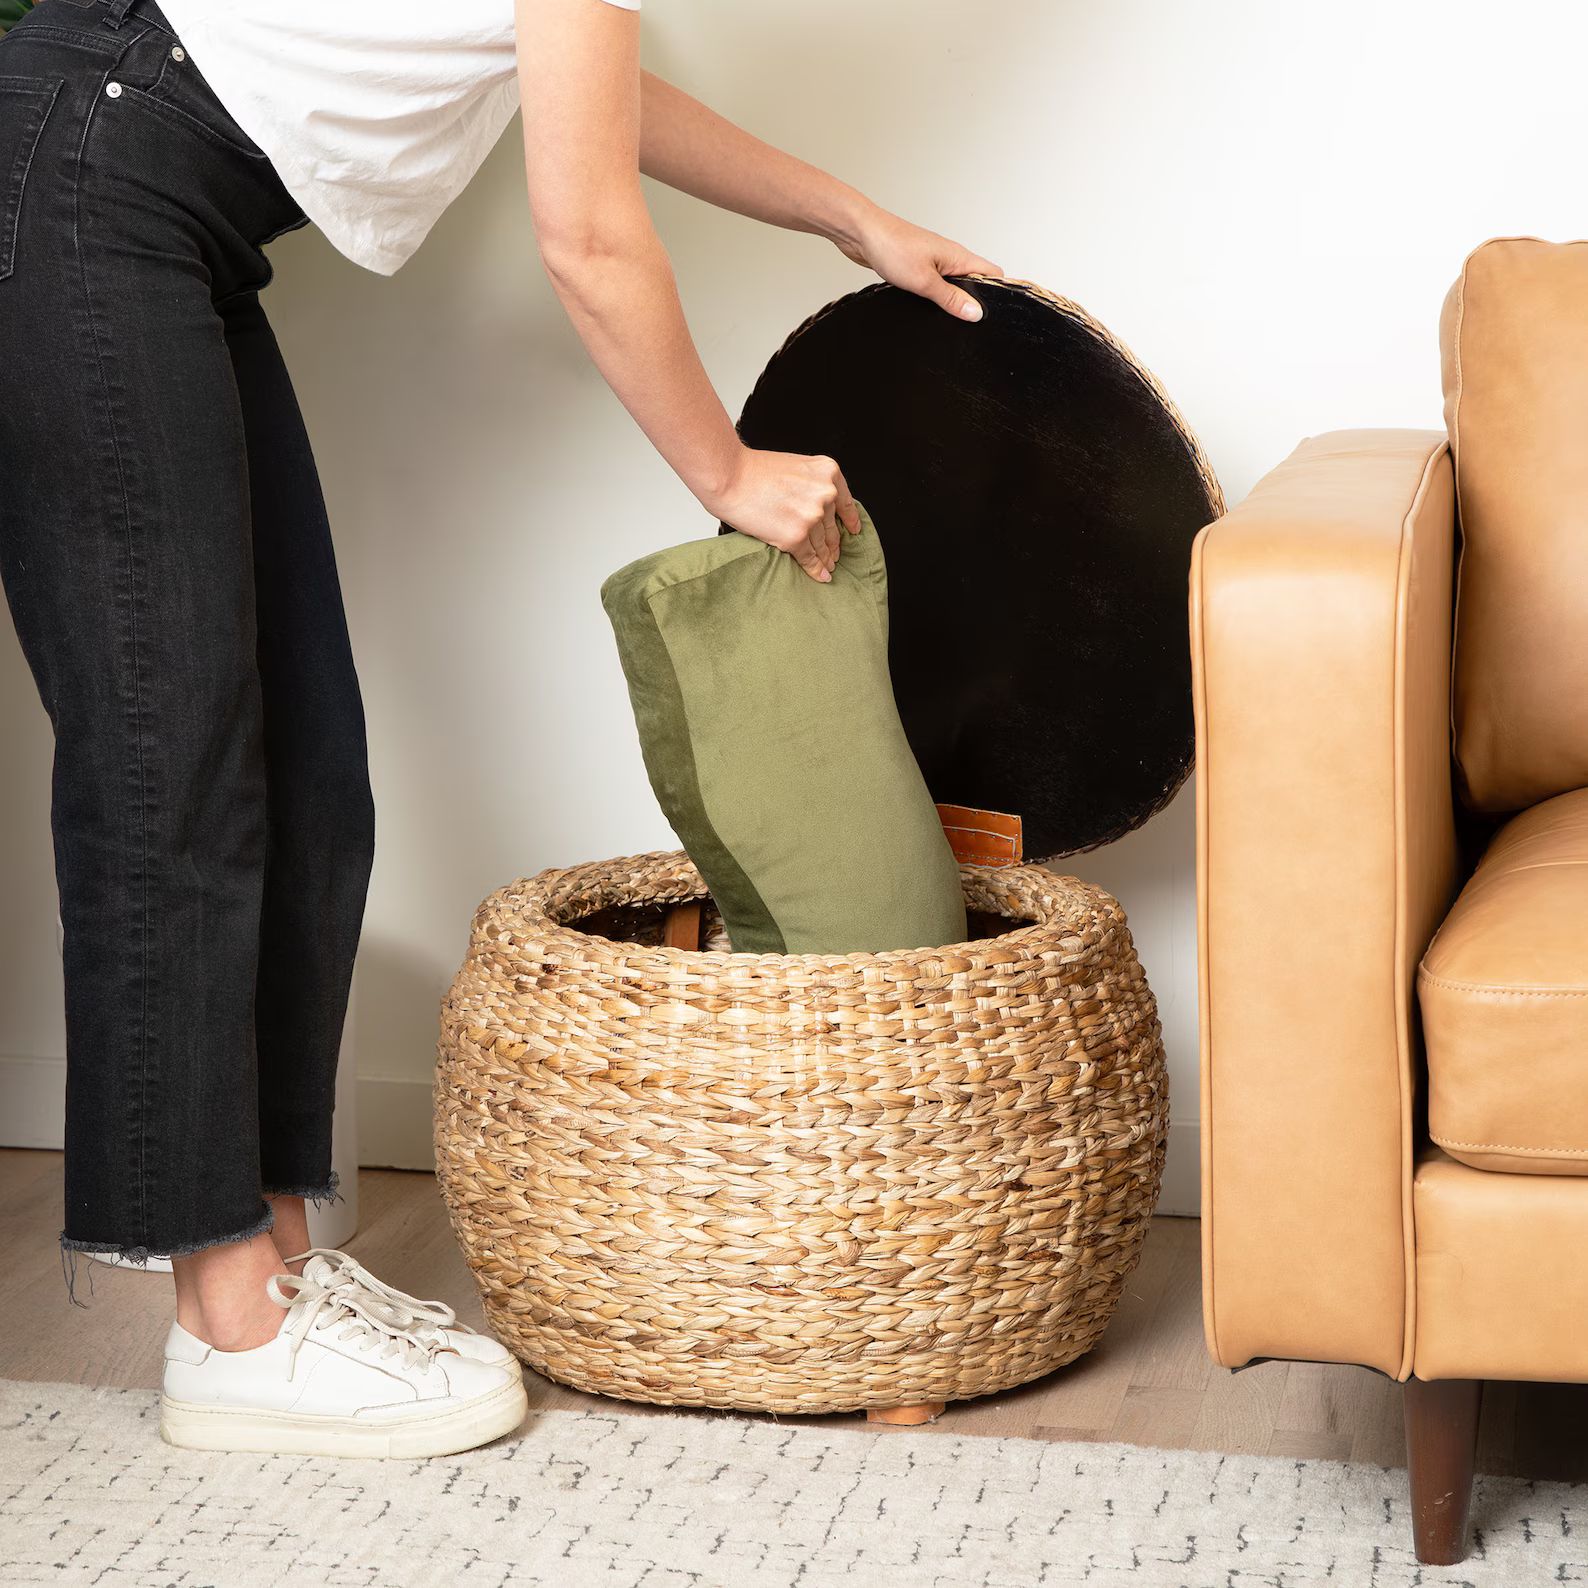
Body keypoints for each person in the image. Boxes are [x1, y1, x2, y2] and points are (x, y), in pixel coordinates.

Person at [0, 0, 1001, 1457]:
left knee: (307, 772)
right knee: (176, 767)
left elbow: (589, 82)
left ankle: (275, 1269)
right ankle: (227, 1326)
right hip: (81, 174)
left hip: (139, 204)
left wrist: (848, 218)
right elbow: (587, 240)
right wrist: (723, 468)